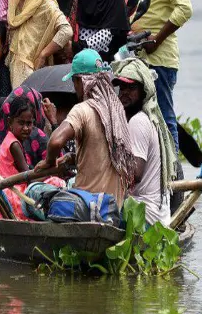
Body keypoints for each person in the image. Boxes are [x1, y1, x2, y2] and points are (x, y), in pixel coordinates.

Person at [37, 49, 136, 207]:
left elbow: (55, 141)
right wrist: (72, 157)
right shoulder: (116, 109)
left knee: (36, 193)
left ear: (79, 81)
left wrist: (49, 162)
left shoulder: (82, 110)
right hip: (112, 208)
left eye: (74, 82)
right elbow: (101, 153)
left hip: (86, 206)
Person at [135, 0, 193, 151]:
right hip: (146, 54)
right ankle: (160, 177)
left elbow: (184, 8)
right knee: (149, 118)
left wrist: (157, 39)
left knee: (166, 118)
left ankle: (174, 179)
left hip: (161, 56)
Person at [112, 58, 178, 226]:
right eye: (122, 87)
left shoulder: (139, 121)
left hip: (144, 217)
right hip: (156, 216)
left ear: (144, 91)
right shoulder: (149, 118)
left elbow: (135, 175)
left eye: (131, 87)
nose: (124, 92)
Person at [6, 0, 72, 87]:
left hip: (32, 75)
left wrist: (43, 54)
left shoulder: (44, 3)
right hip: (14, 73)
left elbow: (66, 30)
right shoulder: (16, 4)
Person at [0, 86, 52, 168]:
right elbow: (26, 175)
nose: (25, 128)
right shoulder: (13, 143)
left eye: (29, 123)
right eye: (21, 123)